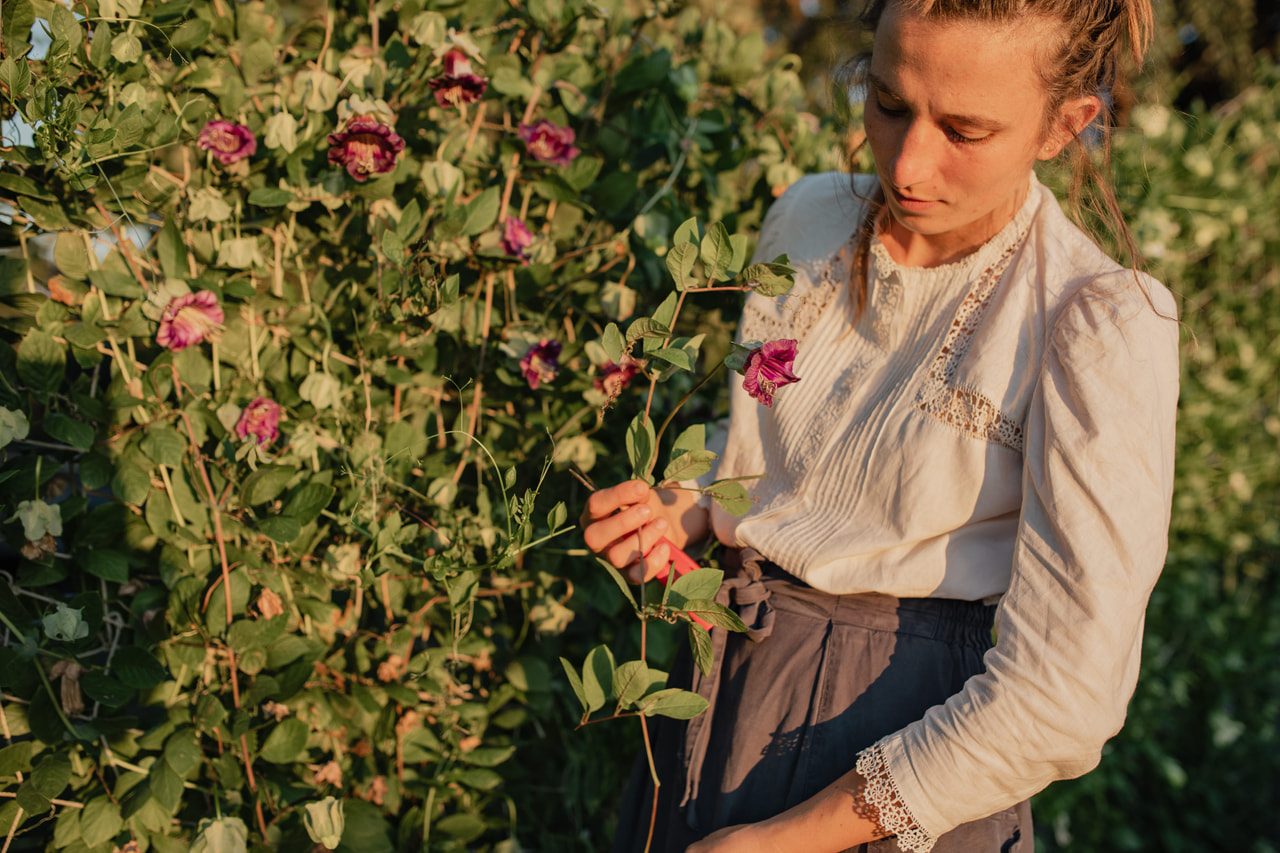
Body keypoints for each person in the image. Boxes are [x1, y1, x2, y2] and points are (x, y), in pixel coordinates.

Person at [581, 0, 1180, 850]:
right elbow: (781, 447)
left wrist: (781, 839)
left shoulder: (1096, 320)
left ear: (1064, 125)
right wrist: (688, 498)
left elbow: (1064, 696)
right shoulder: (808, 219)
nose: (906, 164)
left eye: (966, 131)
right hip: (717, 694)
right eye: (889, 103)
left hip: (909, 754)